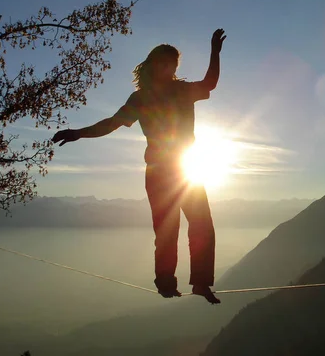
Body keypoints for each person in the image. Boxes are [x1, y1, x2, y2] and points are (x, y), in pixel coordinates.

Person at [52, 29, 226, 304]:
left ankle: (201, 283)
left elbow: (210, 83)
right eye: (166, 63)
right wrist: (77, 133)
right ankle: (167, 283)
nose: (170, 68)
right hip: (164, 172)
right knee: (167, 231)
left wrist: (215, 52)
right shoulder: (141, 98)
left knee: (202, 225)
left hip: (184, 170)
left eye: (174, 64)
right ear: (154, 64)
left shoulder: (181, 91)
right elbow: (111, 123)